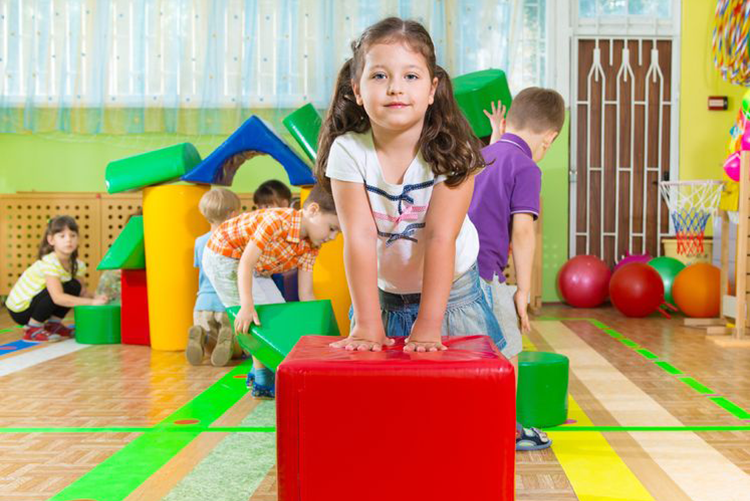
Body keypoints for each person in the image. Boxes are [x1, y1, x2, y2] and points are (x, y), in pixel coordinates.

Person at [315, 17, 504, 353]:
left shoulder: (453, 152)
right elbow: (358, 236)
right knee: (388, 396)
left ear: (431, 90)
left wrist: (430, 325)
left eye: (410, 76)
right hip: (383, 295)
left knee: (461, 394)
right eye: (379, 76)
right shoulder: (348, 150)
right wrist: (368, 323)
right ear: (357, 90)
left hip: (453, 294)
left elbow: (440, 237)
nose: (395, 88)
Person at [469, 87, 566, 450]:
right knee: (509, 347)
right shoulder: (526, 167)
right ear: (549, 137)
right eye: (549, 146)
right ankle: (505, 430)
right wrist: (522, 289)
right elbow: (523, 229)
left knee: (466, 347)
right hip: (485, 274)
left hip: (451, 269)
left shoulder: (481, 156)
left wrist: (498, 136)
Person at [202, 184, 340, 398]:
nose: (333, 237)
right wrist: (247, 306)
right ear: (313, 210)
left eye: (338, 232)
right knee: (258, 317)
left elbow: (306, 295)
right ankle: (262, 378)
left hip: (256, 268)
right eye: (332, 228)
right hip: (224, 257)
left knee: (278, 313)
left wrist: (316, 335)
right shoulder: (277, 221)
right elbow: (245, 264)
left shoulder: (312, 245)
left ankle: (260, 367)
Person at [5, 216, 108, 341]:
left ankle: (53, 325)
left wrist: (96, 297)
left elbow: (82, 292)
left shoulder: (77, 264)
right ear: (51, 240)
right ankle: (32, 328)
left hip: (37, 304)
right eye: (62, 236)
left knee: (74, 285)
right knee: (55, 291)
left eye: (73, 235)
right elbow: (57, 297)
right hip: (21, 310)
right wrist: (92, 303)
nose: (68, 240)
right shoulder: (50, 262)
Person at [187, 188, 244, 367]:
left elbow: (200, 267)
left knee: (210, 345)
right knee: (236, 349)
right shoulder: (235, 241)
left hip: (202, 302)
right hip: (226, 303)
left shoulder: (199, 241)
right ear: (233, 214)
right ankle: (228, 339)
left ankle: (199, 335)